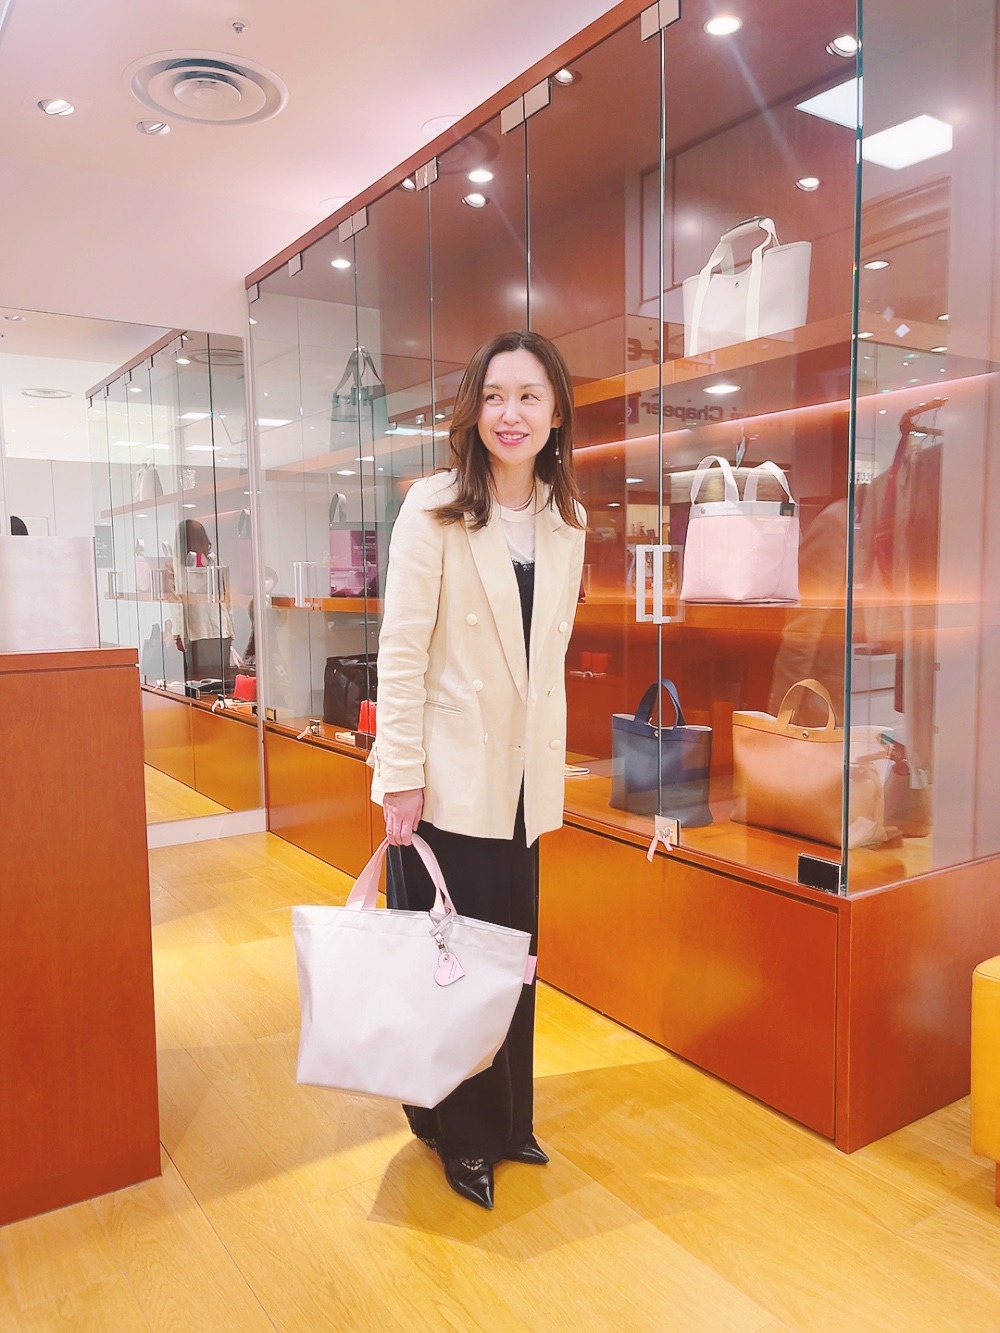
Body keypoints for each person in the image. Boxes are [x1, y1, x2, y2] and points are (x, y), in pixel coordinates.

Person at [369, 330, 587, 1210]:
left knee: (512, 955)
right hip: (449, 776)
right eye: (495, 395)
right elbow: (400, 651)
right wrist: (401, 773)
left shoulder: (568, 520)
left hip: (522, 781)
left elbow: (547, 661)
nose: (510, 413)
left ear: (555, 412)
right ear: (473, 409)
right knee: (454, 961)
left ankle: (507, 1118)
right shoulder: (434, 507)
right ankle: (458, 1131)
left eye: (529, 396)